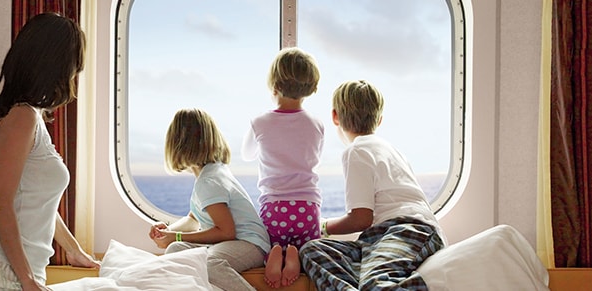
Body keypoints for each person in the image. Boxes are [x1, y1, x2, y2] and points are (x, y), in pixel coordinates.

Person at [0, 13, 99, 291]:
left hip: (17, 271)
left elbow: (39, 199)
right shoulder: (22, 117)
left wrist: (74, 251)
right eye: (73, 66)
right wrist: (27, 280)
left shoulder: (31, 117)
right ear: (55, 65)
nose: (73, 75)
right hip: (0, 275)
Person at [299, 80, 446, 290]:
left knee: (376, 283)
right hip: (377, 238)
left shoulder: (356, 151)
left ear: (335, 116)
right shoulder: (392, 150)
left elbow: (361, 219)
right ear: (379, 120)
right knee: (313, 250)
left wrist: (322, 226)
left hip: (408, 230)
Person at [149, 108, 271, 291]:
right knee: (175, 250)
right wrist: (168, 231)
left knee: (210, 262)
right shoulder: (209, 175)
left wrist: (177, 236)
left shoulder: (209, 182)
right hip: (230, 242)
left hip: (250, 244)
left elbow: (226, 231)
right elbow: (193, 219)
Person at [241, 47, 324, 288]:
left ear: (274, 84)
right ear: (311, 87)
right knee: (308, 246)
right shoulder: (316, 124)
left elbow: (246, 155)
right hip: (307, 207)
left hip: (274, 207)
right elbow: (313, 156)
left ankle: (275, 252)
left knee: (269, 242)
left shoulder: (260, 122)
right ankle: (296, 255)